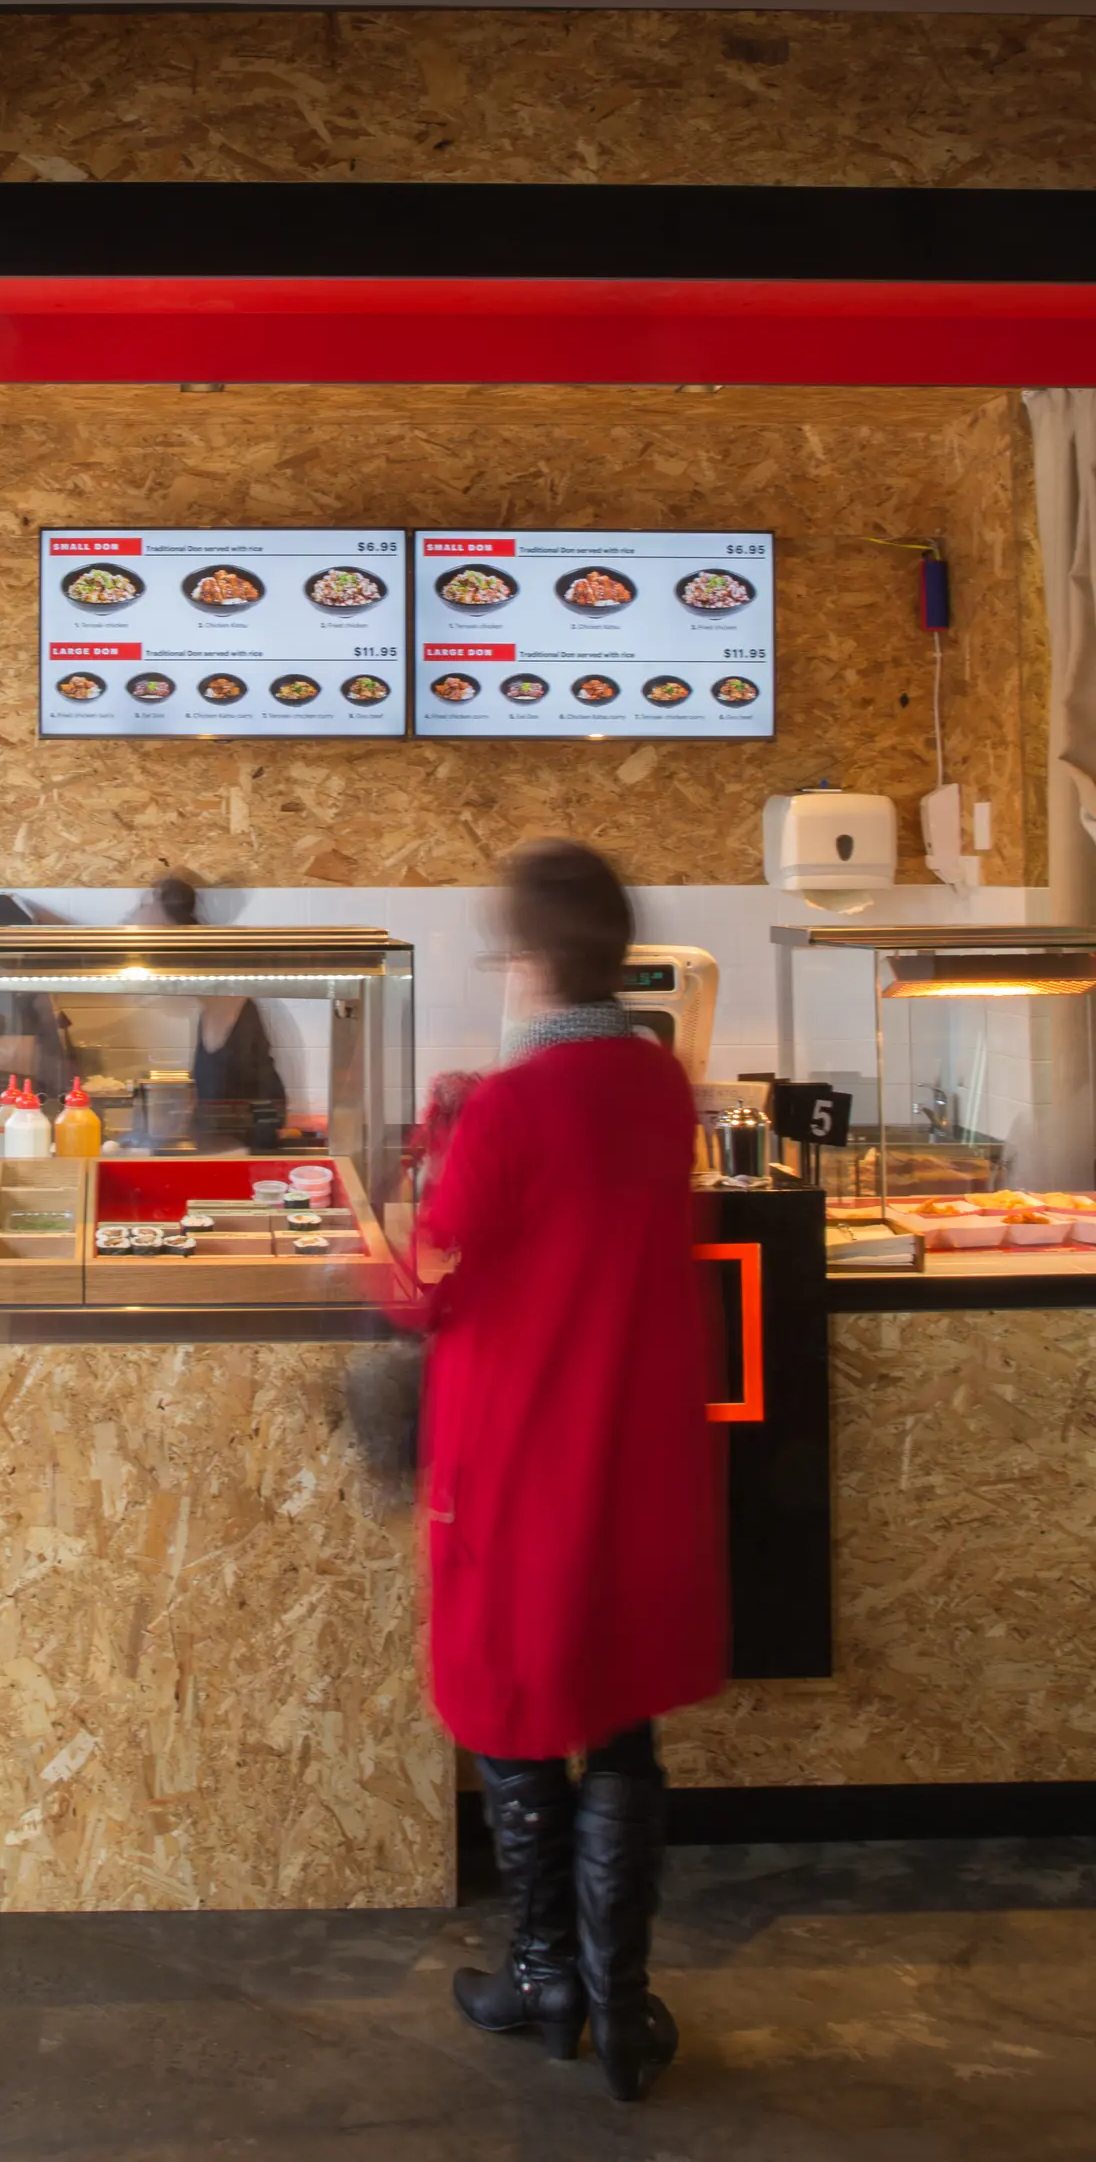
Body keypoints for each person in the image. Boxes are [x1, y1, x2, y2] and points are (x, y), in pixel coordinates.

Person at [413, 839, 726, 2104]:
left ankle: (545, 1974)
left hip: (525, 1447)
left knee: (519, 1701)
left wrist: (413, 1180)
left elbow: (433, 1275)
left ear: (532, 958)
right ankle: (624, 2000)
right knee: (621, 1709)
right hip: (642, 1448)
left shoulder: (513, 1105)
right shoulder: (657, 1084)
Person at [151, 875, 289, 1150]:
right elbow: (213, 1102)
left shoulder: (236, 1010)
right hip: (218, 1155)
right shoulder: (209, 1012)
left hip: (243, 1163)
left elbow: (266, 1112)